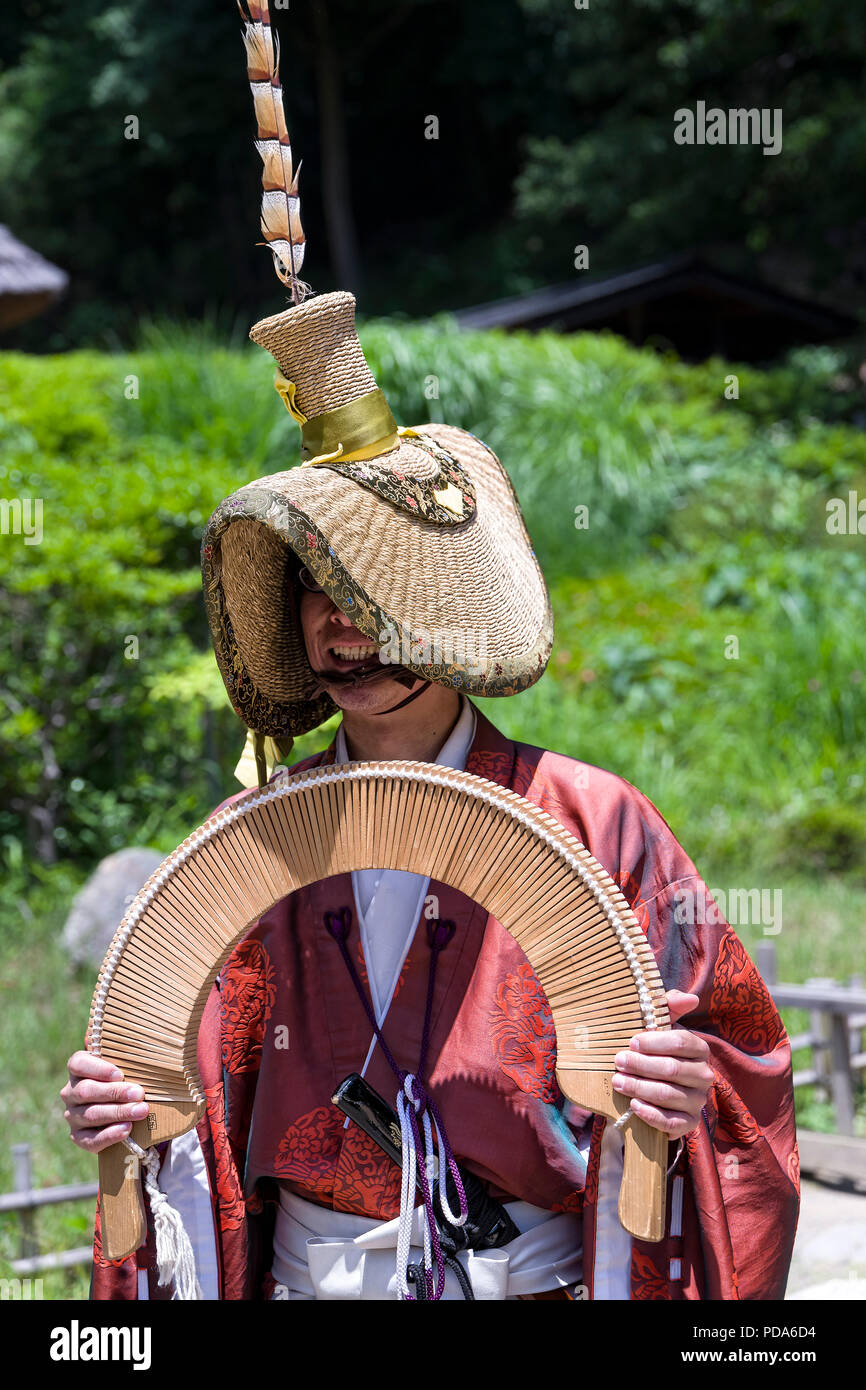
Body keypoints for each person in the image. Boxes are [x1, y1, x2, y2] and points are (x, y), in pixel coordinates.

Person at [60, 1, 798, 1300]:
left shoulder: (597, 825)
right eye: (314, 593)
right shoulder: (254, 843)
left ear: (445, 611)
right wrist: (134, 1115)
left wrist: (682, 1096)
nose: (340, 627)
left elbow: (736, 1070)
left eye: (371, 594)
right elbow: (198, 1128)